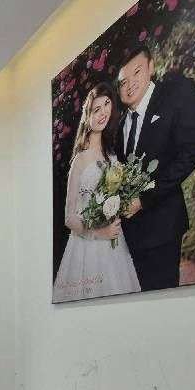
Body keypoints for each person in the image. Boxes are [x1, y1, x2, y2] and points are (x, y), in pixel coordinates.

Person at [116, 44, 195, 291]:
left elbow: (193, 150)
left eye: (137, 72)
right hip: (128, 236)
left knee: (162, 300)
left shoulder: (173, 98)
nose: (130, 84)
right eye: (123, 81)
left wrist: (144, 199)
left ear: (151, 67)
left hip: (162, 230)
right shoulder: (121, 124)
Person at [53, 82, 141, 302]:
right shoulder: (80, 160)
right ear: (88, 116)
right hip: (87, 247)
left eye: (107, 104)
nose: (103, 113)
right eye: (96, 109)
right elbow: (69, 217)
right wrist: (99, 233)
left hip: (115, 243)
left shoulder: (113, 156)